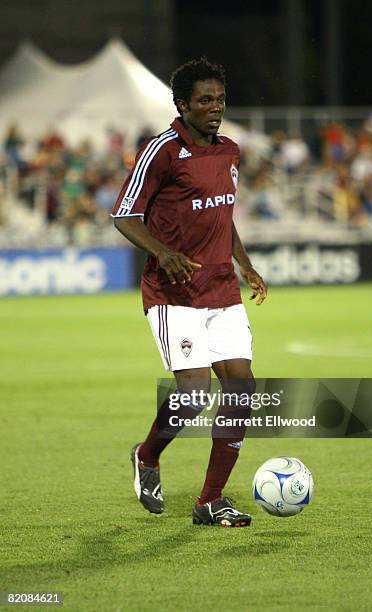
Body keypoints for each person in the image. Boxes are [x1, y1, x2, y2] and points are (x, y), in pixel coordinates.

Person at [112, 57, 267, 527]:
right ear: (182, 105)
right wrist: (164, 253)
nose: (215, 108)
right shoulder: (161, 150)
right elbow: (123, 214)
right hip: (173, 292)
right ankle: (148, 455)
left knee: (241, 388)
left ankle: (210, 500)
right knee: (195, 396)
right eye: (205, 101)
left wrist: (245, 263)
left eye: (219, 99)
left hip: (221, 289)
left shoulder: (229, 151)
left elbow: (223, 213)